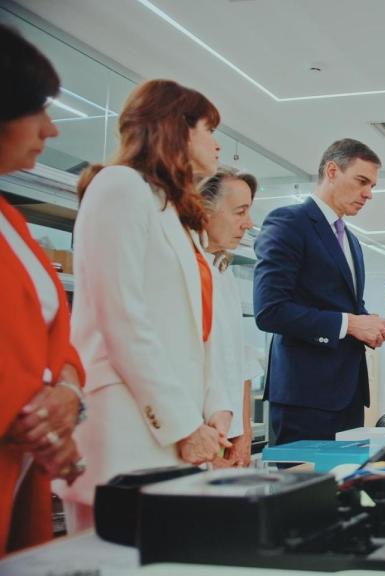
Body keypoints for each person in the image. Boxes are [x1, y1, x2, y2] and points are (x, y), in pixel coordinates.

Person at [62, 79, 234, 530]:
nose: (217, 145)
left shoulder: (177, 215)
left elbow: (199, 329)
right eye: (208, 130)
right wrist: (182, 424)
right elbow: (121, 318)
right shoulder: (118, 186)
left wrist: (216, 406)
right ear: (176, 129)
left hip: (175, 424)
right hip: (126, 420)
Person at [0, 24, 86, 555]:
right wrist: (38, 417)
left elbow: (59, 335)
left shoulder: (14, 222)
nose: (52, 131)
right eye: (38, 110)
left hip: (27, 463)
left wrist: (69, 392)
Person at [254, 139, 385, 444]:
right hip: (304, 398)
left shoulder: (352, 240)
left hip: (348, 395)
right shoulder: (288, 222)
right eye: (362, 181)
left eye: (372, 185)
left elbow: (339, 301)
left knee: (346, 489)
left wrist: (368, 322)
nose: (369, 193)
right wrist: (351, 324)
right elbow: (270, 310)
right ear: (332, 171)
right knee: (305, 491)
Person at [199, 166, 262, 467]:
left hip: (227, 435)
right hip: (197, 436)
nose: (248, 224)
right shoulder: (183, 270)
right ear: (202, 210)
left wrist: (245, 432)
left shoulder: (222, 273)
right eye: (240, 212)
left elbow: (240, 361)